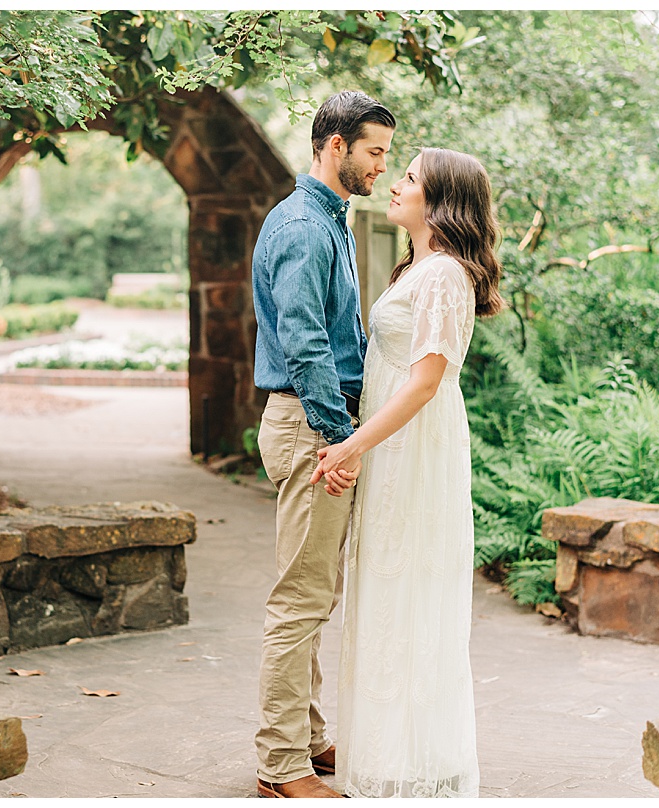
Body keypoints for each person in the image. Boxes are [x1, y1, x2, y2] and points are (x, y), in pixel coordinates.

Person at [311, 147, 505, 797]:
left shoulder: (447, 275)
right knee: (386, 591)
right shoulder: (415, 269)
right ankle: (390, 750)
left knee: (409, 593)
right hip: (391, 445)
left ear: (441, 200)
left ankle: (414, 762)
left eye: (410, 179)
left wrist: (351, 448)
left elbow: (425, 384)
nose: (395, 185)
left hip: (413, 449)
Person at [251, 90, 396, 799]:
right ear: (335, 146)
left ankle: (307, 740)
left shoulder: (329, 220)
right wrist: (341, 441)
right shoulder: (307, 228)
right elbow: (305, 344)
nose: (381, 167)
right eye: (374, 152)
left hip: (319, 425)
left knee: (312, 593)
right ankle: (281, 767)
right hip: (314, 427)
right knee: (300, 601)